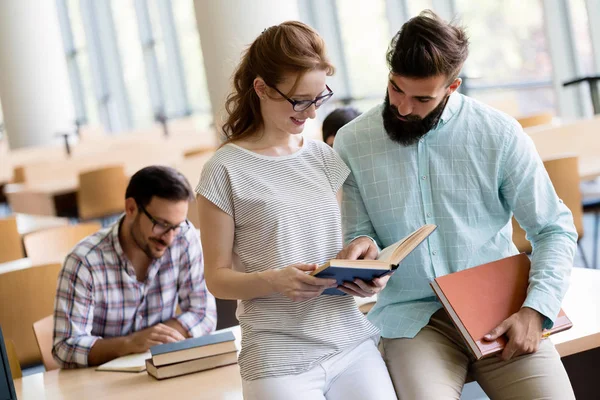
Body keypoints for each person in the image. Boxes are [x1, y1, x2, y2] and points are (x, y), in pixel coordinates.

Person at [334, 10, 577, 400]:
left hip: (502, 309)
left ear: (452, 87)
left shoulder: (499, 133)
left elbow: (553, 229)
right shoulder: (351, 141)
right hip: (414, 321)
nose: (403, 107)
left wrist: (536, 311)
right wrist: (362, 255)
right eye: (396, 88)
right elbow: (360, 233)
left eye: (422, 97)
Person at [196, 21, 396, 400]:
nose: (310, 113)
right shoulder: (223, 169)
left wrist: (365, 264)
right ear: (261, 89)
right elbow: (217, 278)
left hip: (349, 341)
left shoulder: (323, 157)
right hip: (277, 355)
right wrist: (274, 280)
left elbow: (346, 238)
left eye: (318, 99)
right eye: (299, 100)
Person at [53, 166, 217, 368]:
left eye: (176, 226)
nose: (169, 237)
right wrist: (129, 344)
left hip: (161, 372)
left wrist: (157, 338)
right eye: (161, 224)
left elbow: (203, 313)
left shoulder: (183, 238)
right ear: (131, 208)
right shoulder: (84, 262)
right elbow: (65, 347)